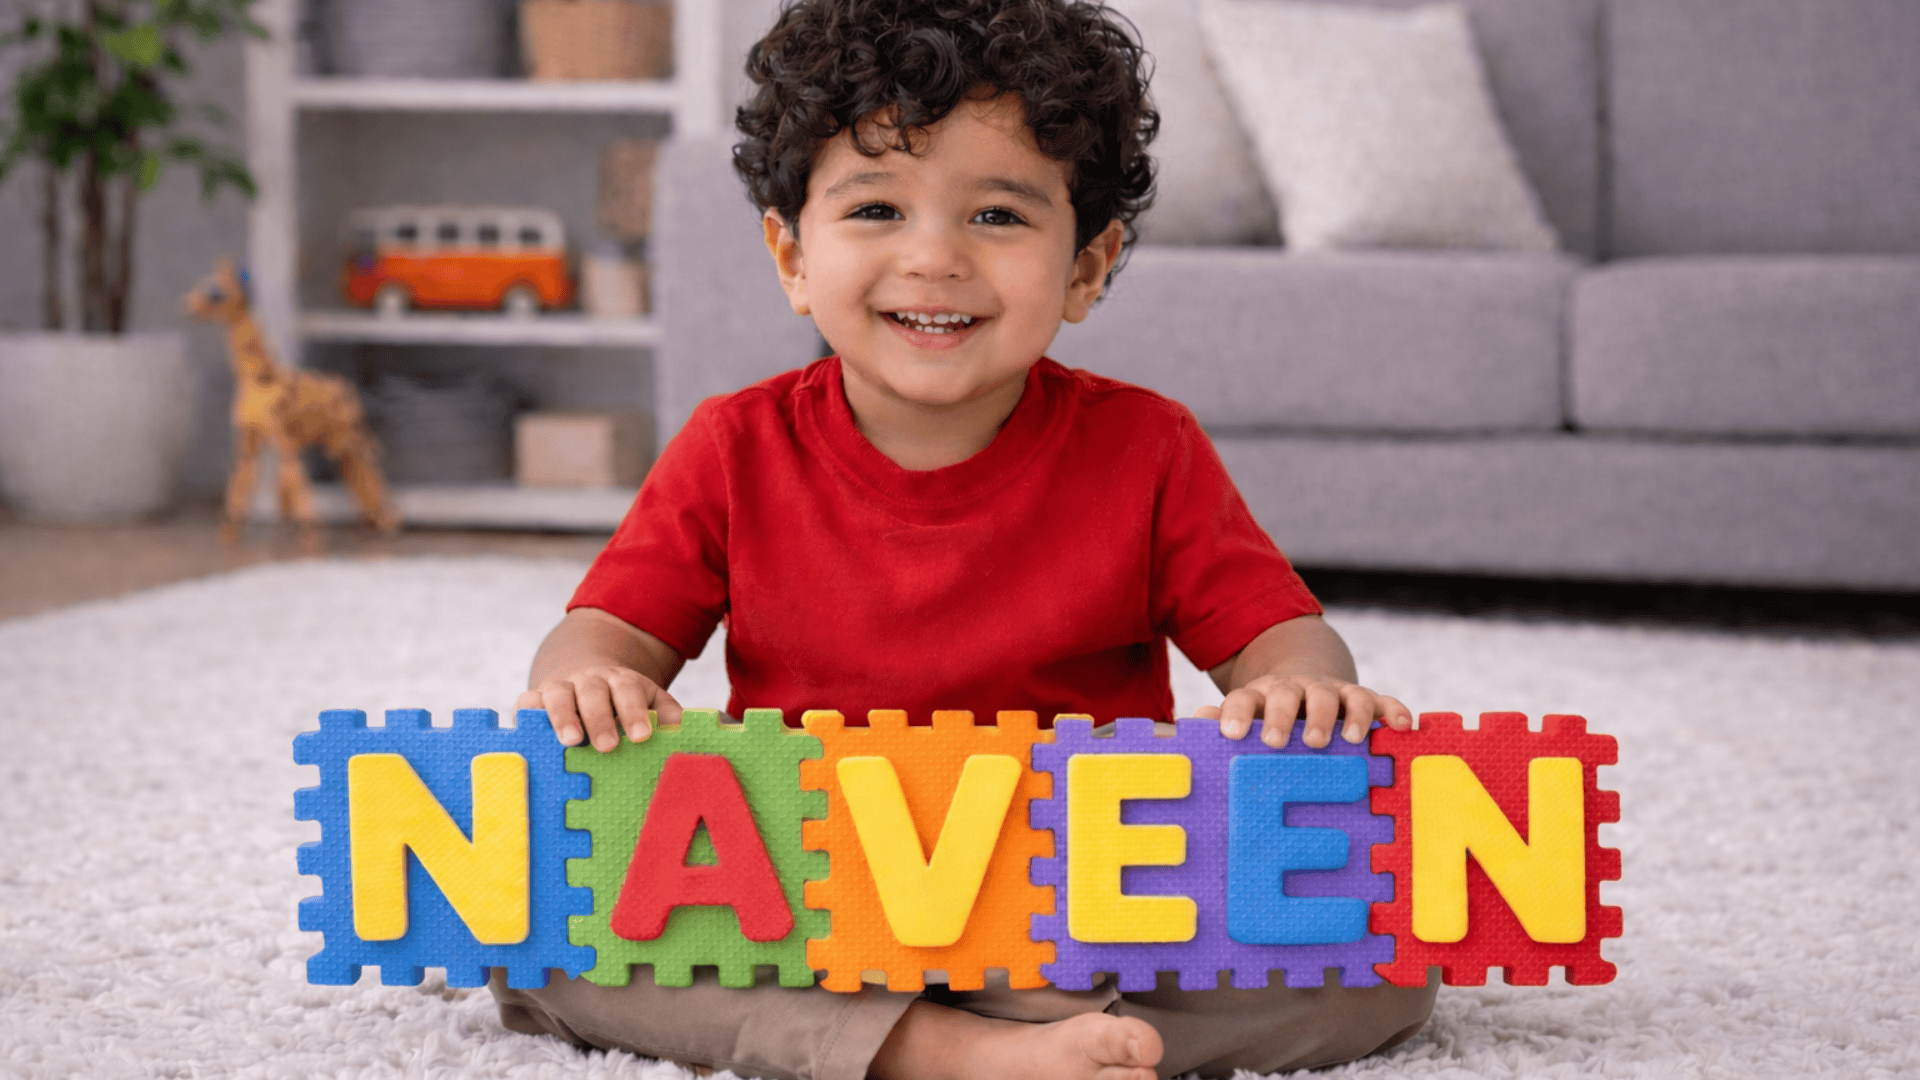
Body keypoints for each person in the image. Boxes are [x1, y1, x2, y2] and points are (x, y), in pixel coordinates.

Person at [492, 0, 1437, 1076]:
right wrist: (590, 682)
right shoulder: (732, 446)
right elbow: (603, 633)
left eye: (997, 216)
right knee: (540, 939)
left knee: (1389, 963)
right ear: (792, 254)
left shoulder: (1146, 447)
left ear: (1086, 266)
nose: (933, 258)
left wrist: (1295, 690)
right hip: (818, 892)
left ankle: (1052, 1031)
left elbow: (1281, 636)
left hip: (1080, 896)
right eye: (878, 208)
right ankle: (954, 1049)